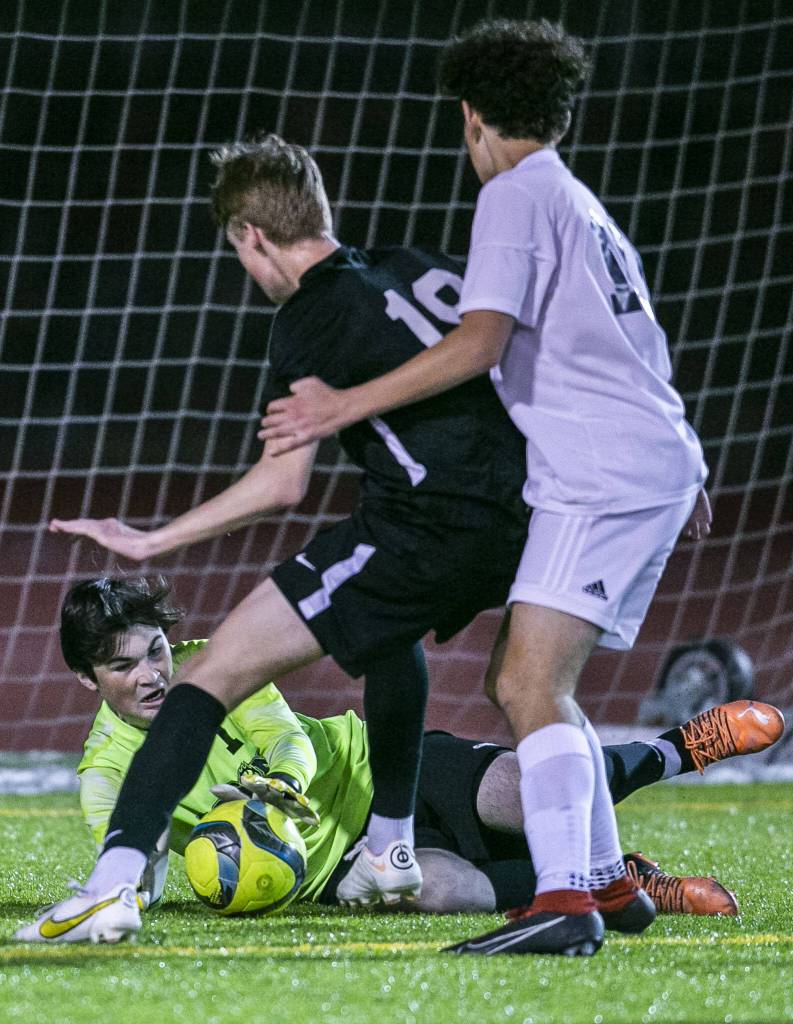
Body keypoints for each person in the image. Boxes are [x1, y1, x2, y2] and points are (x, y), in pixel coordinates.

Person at [15, 133, 549, 943]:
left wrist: (153, 541)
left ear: (250, 238)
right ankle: (409, 847)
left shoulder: (307, 317)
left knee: (210, 673)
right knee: (426, 648)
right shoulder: (417, 269)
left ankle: (111, 886)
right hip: (533, 509)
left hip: (428, 522)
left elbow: (281, 483)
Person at [260, 19, 713, 957]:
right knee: (530, 667)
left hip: (600, 472)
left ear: (470, 116)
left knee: (525, 680)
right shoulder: (576, 199)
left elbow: (477, 343)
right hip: (640, 457)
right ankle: (603, 881)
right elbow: (644, 344)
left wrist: (343, 404)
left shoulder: (512, 195)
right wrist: (679, 450)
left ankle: (563, 902)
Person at [17, 577, 779, 942]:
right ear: (88, 680)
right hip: (330, 868)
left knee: (520, 792)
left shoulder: (209, 665)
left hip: (379, 773)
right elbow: (135, 855)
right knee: (449, 892)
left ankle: (679, 747)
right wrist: (128, 896)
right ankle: (633, 877)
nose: (152, 675)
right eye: (124, 667)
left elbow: (283, 736)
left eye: (153, 650)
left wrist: (281, 782)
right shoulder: (102, 772)